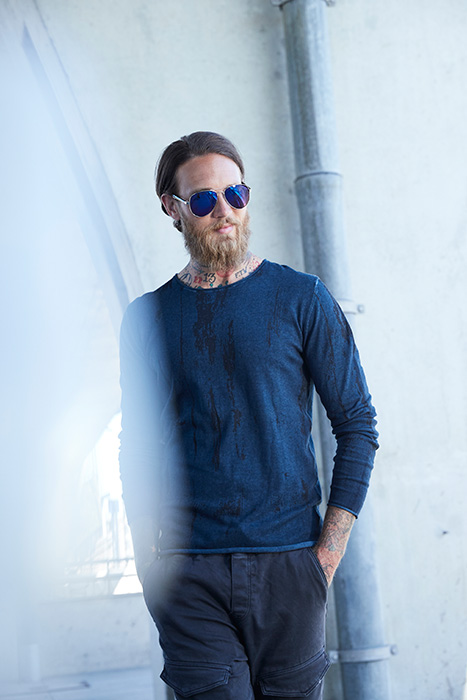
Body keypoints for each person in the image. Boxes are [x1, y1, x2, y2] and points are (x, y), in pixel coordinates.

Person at [119, 131, 379, 700]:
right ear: (172, 208)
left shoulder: (302, 298)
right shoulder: (147, 318)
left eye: (235, 194)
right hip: (188, 574)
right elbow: (136, 449)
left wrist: (324, 559)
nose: (225, 211)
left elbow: (357, 425)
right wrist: (148, 567)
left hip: (291, 567)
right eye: (204, 199)